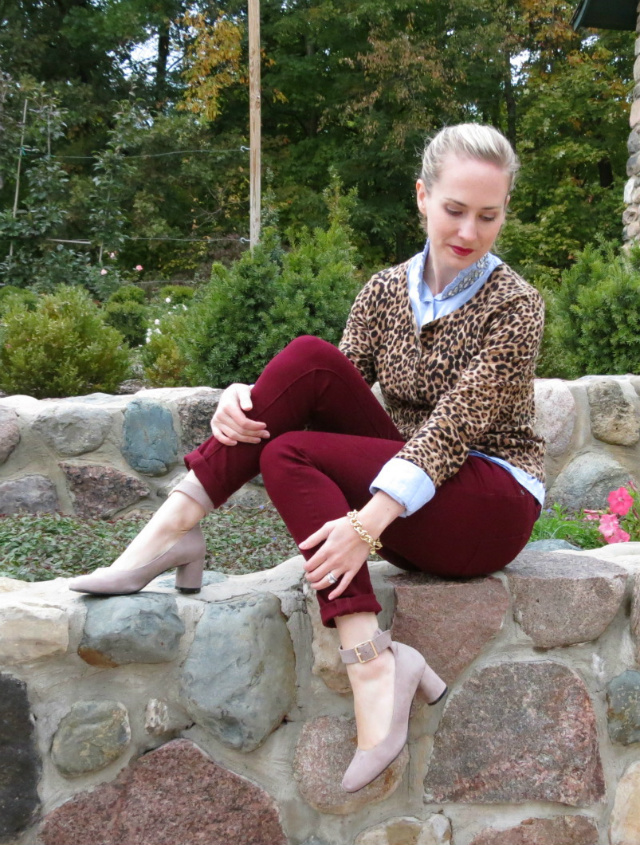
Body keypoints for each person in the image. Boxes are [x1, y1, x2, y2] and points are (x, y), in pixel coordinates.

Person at [69, 123, 545, 793]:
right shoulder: (385, 291)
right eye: (454, 209)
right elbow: (317, 390)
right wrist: (243, 398)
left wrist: (365, 525)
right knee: (301, 381)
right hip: (414, 489)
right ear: (422, 197)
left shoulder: (516, 306)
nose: (468, 230)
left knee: (307, 422)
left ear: (503, 213)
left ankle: (186, 547)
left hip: (489, 499)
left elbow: (451, 430)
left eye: (488, 216)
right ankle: (357, 647)